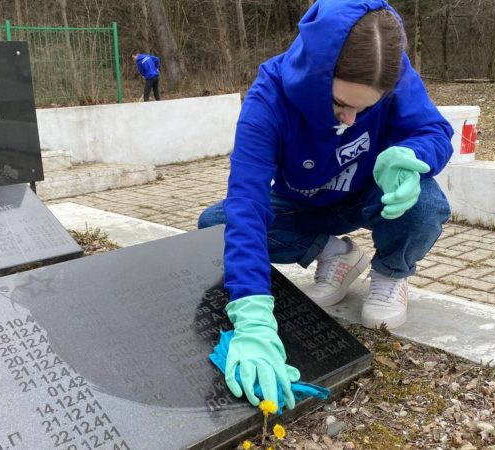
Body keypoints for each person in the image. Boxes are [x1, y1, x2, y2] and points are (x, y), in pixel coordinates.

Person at [197, 0, 453, 410]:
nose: (351, 119)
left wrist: (411, 156)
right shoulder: (268, 97)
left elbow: (433, 130)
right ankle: (335, 252)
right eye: (340, 105)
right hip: (302, 202)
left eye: (365, 108)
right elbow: (247, 202)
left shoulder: (394, 70)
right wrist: (252, 316)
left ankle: (390, 273)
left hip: (371, 194)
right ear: (315, 78)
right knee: (215, 223)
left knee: (424, 202)